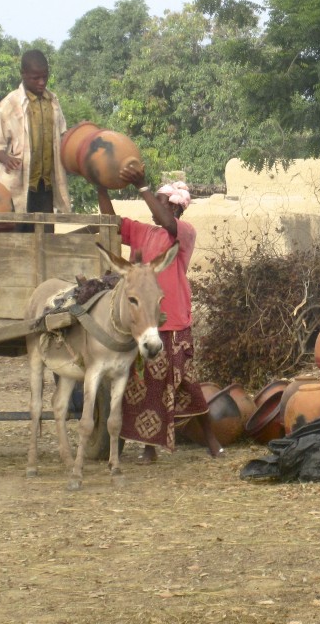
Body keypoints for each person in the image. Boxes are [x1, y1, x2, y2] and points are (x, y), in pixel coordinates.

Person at [97, 162, 223, 463]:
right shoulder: (142, 232)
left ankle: (211, 439)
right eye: (154, 199)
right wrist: (100, 185)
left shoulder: (183, 234)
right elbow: (111, 221)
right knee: (145, 385)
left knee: (188, 385)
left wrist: (141, 186)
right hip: (145, 323)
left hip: (174, 321)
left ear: (176, 209)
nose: (154, 206)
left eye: (161, 201)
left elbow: (167, 222)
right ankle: (149, 448)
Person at [0, 50, 71, 224]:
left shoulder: (53, 101)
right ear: (23, 74)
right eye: (35, 78)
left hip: (45, 186)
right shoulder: (10, 104)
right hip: (18, 184)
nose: (41, 83)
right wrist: (6, 159)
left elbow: (64, 135)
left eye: (45, 77)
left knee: (45, 234)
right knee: (19, 234)